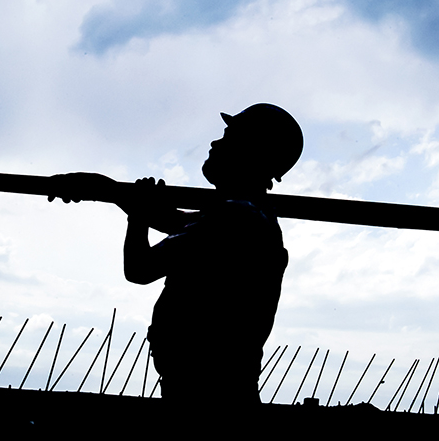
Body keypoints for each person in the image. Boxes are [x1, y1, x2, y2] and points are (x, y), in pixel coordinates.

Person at [50, 104, 303, 408]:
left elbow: (139, 269)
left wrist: (138, 217)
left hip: (204, 394)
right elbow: (173, 220)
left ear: (251, 153)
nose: (215, 144)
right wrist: (104, 187)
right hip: (214, 388)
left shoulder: (233, 219)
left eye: (228, 138)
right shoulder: (244, 215)